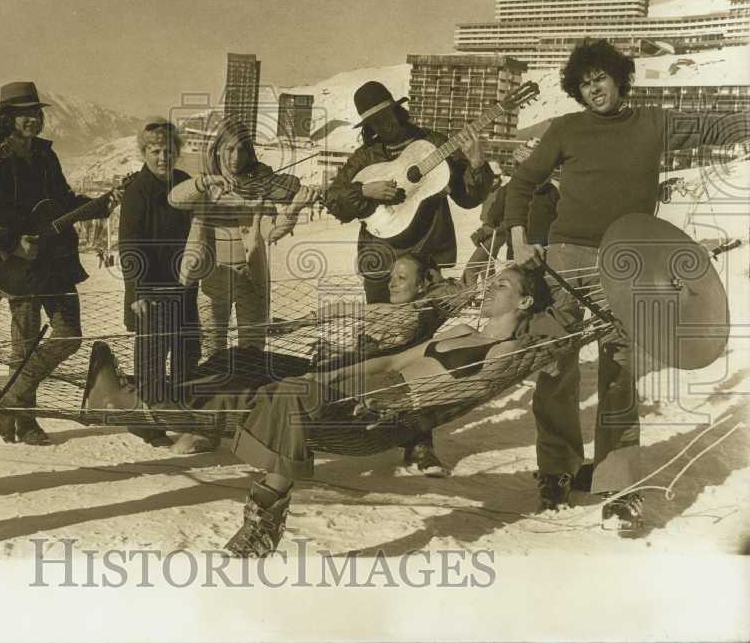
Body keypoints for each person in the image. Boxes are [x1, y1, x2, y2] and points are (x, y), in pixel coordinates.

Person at [85, 264, 550, 557]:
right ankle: (141, 400)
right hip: (358, 393)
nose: (491, 288)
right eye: (492, 281)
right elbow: (390, 361)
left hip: (384, 415)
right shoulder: (460, 332)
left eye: (503, 285)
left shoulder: (504, 350)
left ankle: (261, 510)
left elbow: (463, 390)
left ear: (525, 302)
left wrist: (391, 403)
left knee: (277, 398)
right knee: (258, 384)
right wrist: (329, 376)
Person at [506, 38, 750, 529]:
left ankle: (618, 485)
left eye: (600, 78)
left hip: (631, 262)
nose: (594, 89)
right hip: (567, 257)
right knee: (555, 362)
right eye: (584, 84)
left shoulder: (653, 123)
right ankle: (556, 469)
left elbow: (710, 126)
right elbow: (522, 183)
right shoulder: (565, 129)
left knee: (619, 369)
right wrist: (518, 238)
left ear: (620, 78)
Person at [0, 82, 118, 446]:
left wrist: (101, 204)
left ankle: (8, 400)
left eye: (36, 113)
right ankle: (26, 423)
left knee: (69, 336)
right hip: (17, 265)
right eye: (25, 114)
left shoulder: (46, 156)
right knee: (24, 345)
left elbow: (63, 202)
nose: (33, 119)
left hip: (56, 260)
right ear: (7, 119)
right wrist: (12, 245)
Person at [324, 80, 494, 303]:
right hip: (380, 256)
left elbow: (468, 199)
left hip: (425, 255)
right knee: (379, 319)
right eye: (375, 122)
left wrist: (477, 165)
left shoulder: (434, 144)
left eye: (386, 116)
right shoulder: (366, 156)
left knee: (423, 319)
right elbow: (333, 199)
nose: (383, 125)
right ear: (368, 127)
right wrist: (364, 190)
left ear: (397, 111)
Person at [168, 118, 321, 361]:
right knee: (212, 348)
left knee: (252, 347)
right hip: (213, 275)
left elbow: (271, 232)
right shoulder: (206, 185)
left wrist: (293, 209)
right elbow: (175, 199)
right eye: (230, 149)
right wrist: (207, 181)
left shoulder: (257, 186)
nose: (236, 157)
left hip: (251, 276)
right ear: (218, 149)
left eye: (242, 150)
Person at [118, 118, 202, 449]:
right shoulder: (137, 191)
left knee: (187, 351)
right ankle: (146, 424)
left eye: (168, 150)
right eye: (155, 151)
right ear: (144, 153)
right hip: (151, 287)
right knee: (152, 358)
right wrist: (137, 290)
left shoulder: (184, 183)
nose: (162, 157)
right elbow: (129, 244)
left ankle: (181, 415)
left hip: (183, 283)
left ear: (177, 152)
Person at [462, 140, 560, 287]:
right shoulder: (551, 191)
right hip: (528, 253)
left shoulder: (513, 190)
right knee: (528, 285)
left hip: (531, 253)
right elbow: (494, 217)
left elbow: (494, 217)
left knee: (526, 285)